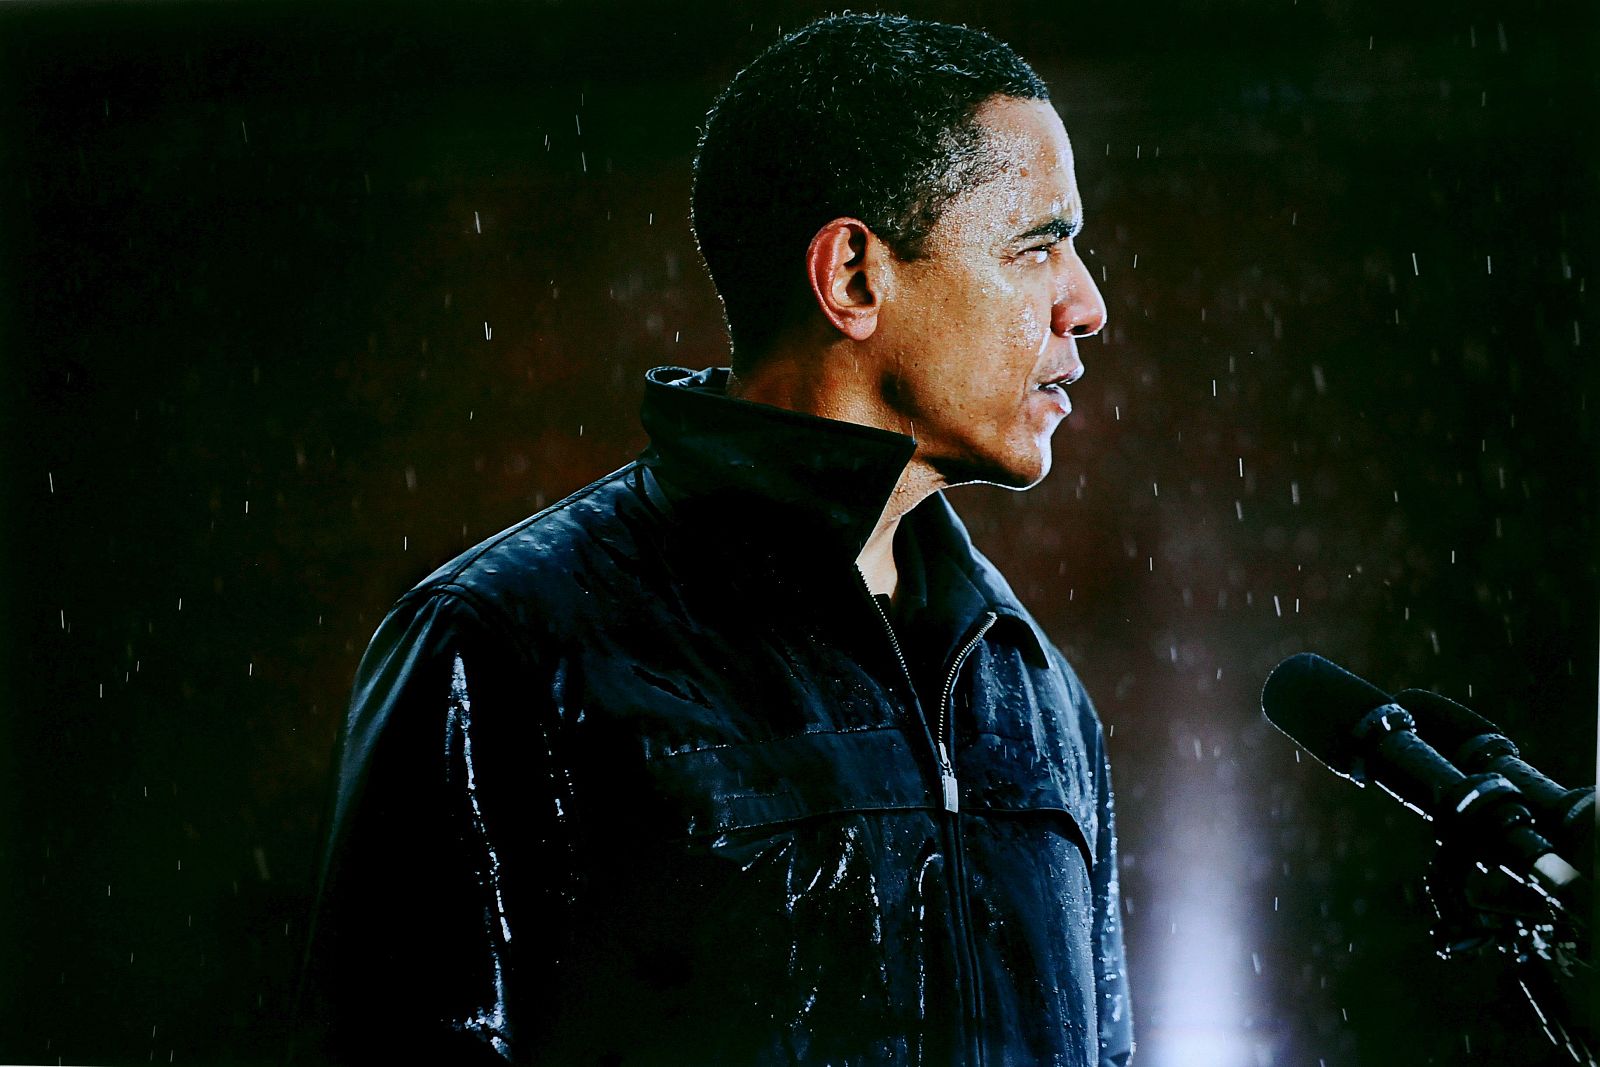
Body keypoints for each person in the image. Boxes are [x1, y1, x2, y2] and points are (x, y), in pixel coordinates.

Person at [301, 13, 1133, 1067]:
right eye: (1039, 246)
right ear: (854, 278)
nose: (1087, 303)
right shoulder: (505, 639)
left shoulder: (1032, 683)